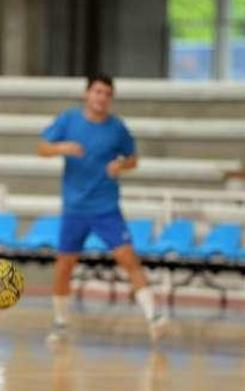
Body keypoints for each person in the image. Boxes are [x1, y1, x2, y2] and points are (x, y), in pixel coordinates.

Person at [38, 74, 168, 343]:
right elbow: (42, 148)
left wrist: (121, 165)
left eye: (107, 93)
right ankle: (61, 322)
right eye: (97, 92)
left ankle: (153, 316)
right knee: (64, 266)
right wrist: (61, 148)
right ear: (87, 94)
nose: (101, 97)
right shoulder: (69, 120)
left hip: (106, 207)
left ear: (111, 99)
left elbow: (132, 159)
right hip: (75, 207)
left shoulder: (116, 128)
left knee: (128, 259)